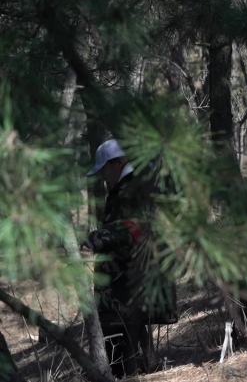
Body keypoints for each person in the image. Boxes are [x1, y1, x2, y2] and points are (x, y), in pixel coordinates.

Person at [83, 139, 176, 377]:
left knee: (120, 327)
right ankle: (144, 365)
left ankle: (130, 371)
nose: (103, 177)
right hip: (128, 274)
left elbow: (134, 227)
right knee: (129, 325)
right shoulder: (125, 187)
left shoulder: (133, 188)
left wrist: (98, 237)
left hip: (133, 275)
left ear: (117, 164)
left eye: (104, 170)